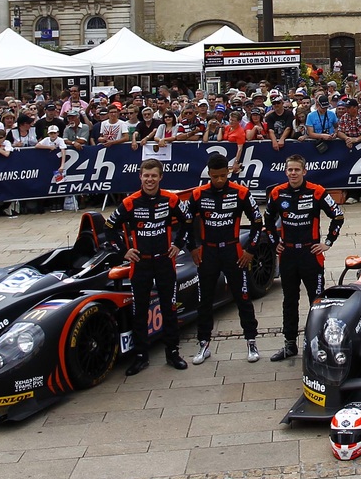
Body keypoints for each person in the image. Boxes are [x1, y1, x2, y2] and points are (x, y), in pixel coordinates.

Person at [107, 159, 192, 374]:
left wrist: (178, 245)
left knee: (169, 308)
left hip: (165, 261)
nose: (150, 179)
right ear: (140, 177)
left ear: (161, 177)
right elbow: (109, 228)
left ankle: (172, 353)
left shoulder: (171, 199)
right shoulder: (130, 202)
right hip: (141, 263)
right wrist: (123, 251)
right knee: (140, 311)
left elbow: (188, 222)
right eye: (146, 175)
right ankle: (141, 356)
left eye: (154, 175)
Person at [187, 152, 265, 365]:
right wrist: (193, 248)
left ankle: (251, 341)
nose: (219, 180)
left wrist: (250, 250)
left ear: (228, 172)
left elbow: (258, 222)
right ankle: (204, 343)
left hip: (233, 251)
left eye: (223, 175)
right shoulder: (198, 194)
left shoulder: (241, 192)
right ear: (209, 174)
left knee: (243, 297)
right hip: (208, 253)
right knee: (205, 301)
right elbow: (185, 224)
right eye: (215, 176)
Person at [265, 154, 344, 361]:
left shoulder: (317, 191)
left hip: (311, 254)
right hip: (288, 254)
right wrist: (275, 242)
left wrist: (327, 242)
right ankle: (290, 344)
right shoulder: (277, 193)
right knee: (289, 300)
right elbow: (267, 219)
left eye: (296, 170)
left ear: (304, 171)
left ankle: (319, 343)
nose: (293, 173)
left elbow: (338, 215)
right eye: (290, 170)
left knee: (317, 301)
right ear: (285, 171)